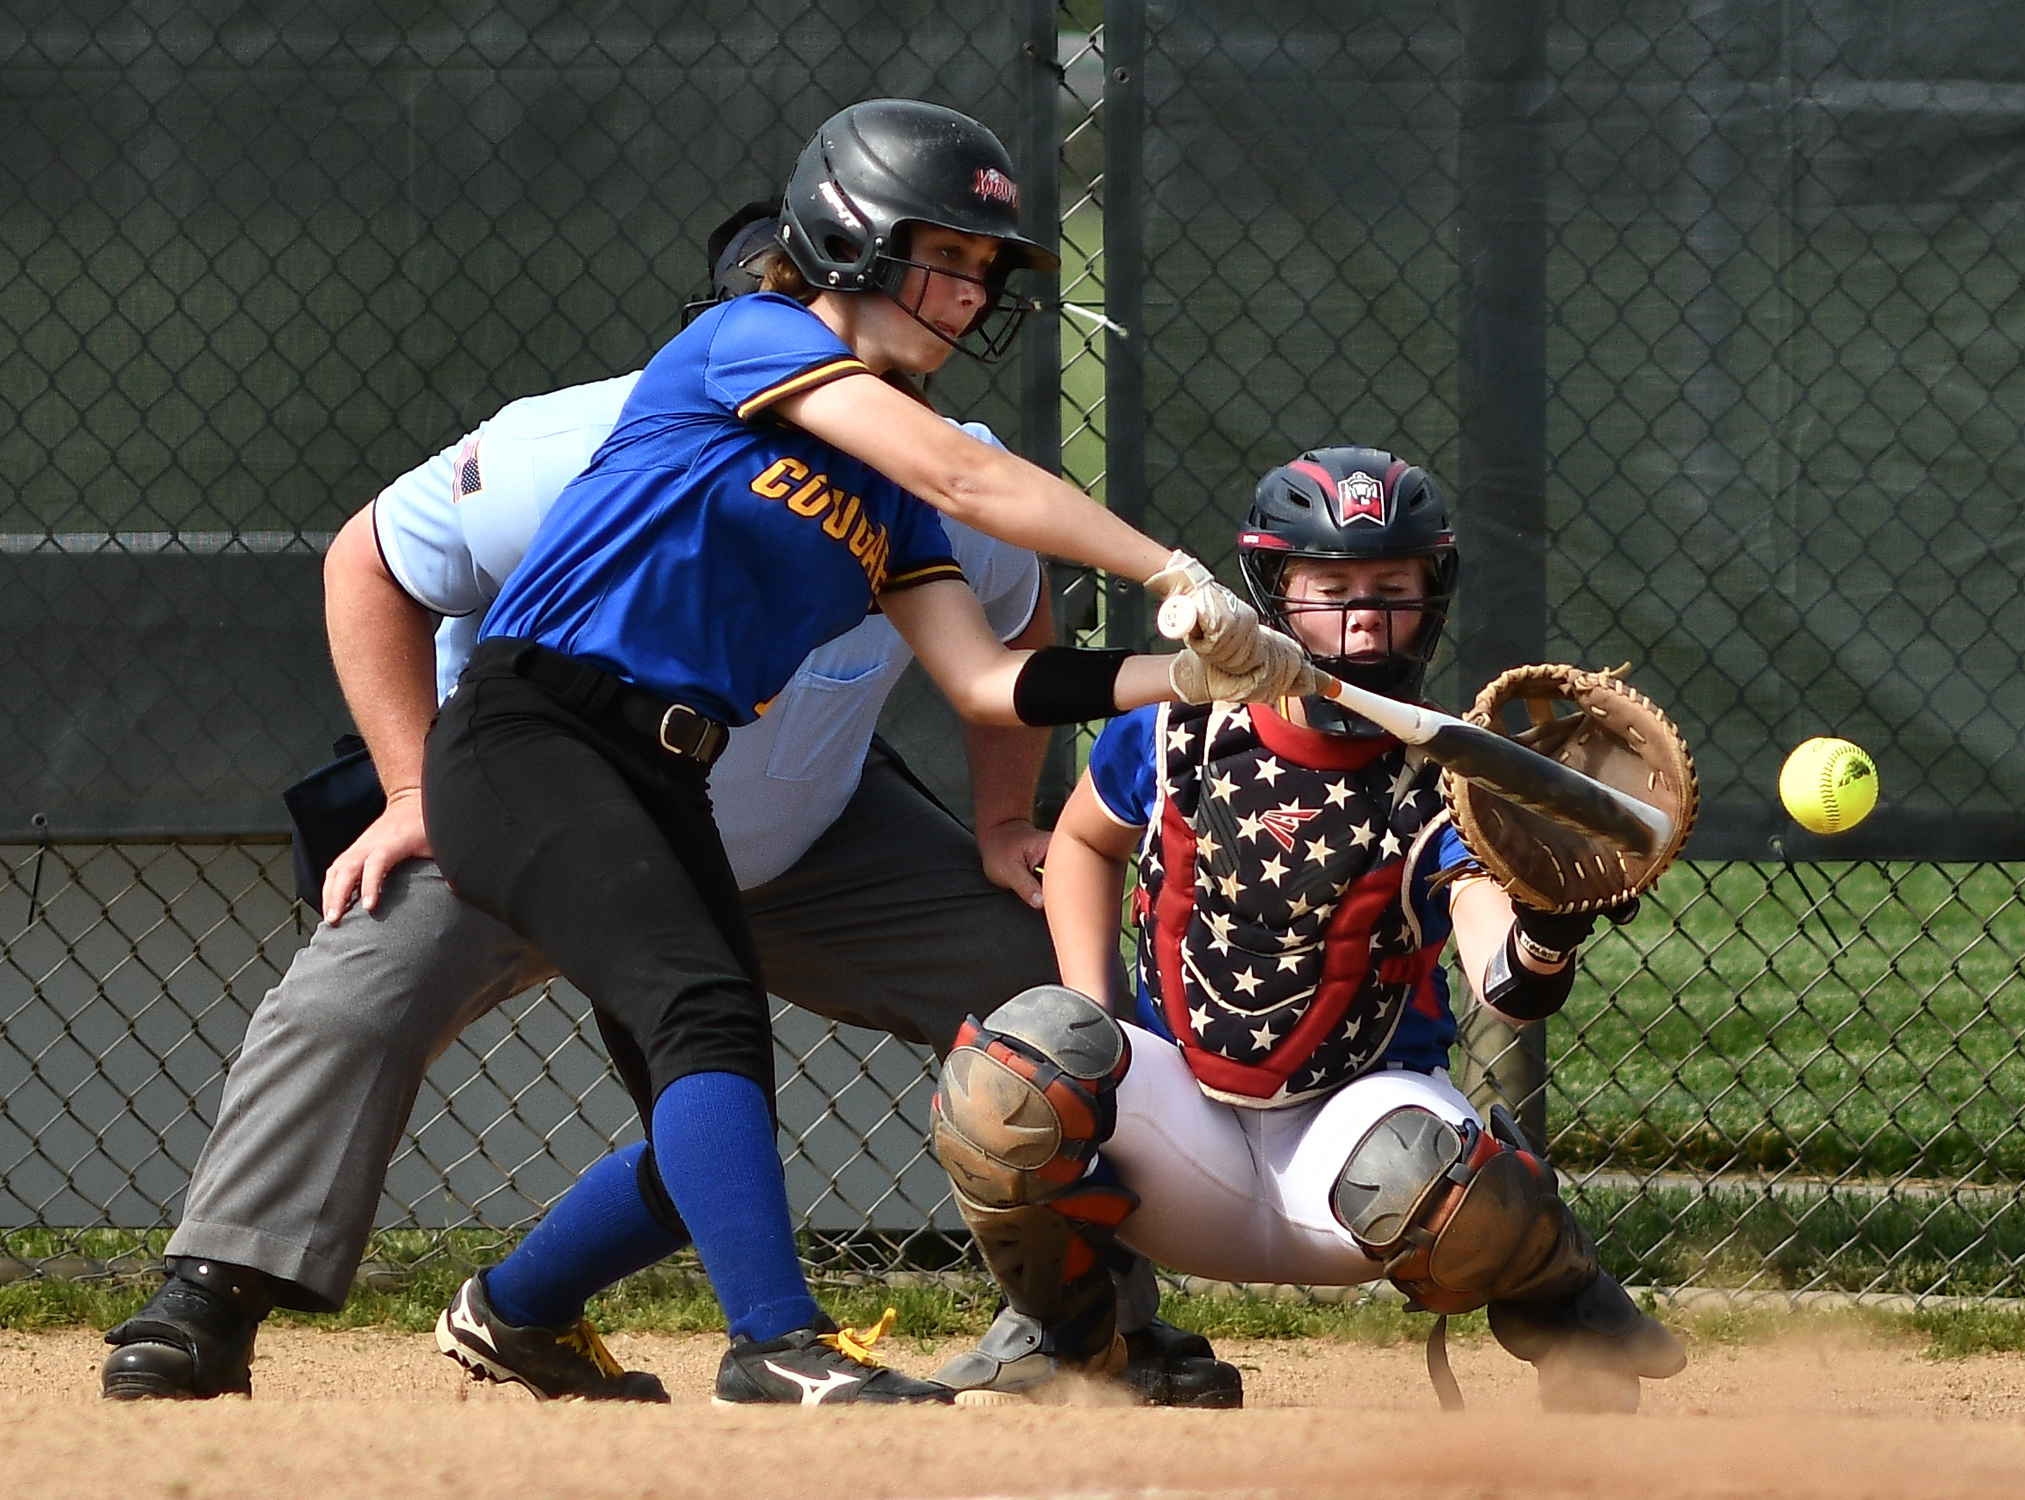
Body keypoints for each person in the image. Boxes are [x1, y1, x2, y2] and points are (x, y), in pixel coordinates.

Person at [99, 206, 1241, 1407]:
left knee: (1001, 988)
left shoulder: (911, 491)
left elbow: (1000, 656)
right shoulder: (612, 421)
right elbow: (368, 560)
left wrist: (1175, 690)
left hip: (772, 829)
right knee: (358, 993)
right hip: (535, 776)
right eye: (799, 303)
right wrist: (403, 782)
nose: (944, 302)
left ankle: (1077, 1319)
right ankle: (211, 1293)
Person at [414, 98, 1307, 1409]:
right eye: (941, 258)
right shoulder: (749, 340)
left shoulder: (881, 490)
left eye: (983, 274)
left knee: (704, 1113)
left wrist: (1194, 675)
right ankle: (773, 1343)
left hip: (661, 778)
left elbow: (989, 679)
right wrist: (1174, 573)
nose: (964, 298)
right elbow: (974, 481)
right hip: (531, 732)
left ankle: (516, 1311)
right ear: (846, 237)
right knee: (708, 1024)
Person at [926, 448, 1691, 1411]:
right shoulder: (1179, 729)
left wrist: (1546, 930)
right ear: (1274, 593)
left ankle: (1568, 1308)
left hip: (1351, 1150)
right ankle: (1077, 1339)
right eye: (1329, 586)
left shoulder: (1454, 783)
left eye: (1391, 586)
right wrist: (1098, 1028)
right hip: (1181, 1136)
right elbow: (1083, 841)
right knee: (1019, 1066)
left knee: (1434, 1176)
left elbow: (1504, 979)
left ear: (1433, 595)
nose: (1362, 612)